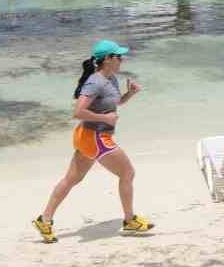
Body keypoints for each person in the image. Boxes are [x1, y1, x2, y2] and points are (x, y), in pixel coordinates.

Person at [32, 40, 153, 243]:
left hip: (88, 137)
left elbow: (114, 103)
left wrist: (130, 94)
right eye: (118, 56)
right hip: (96, 137)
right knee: (127, 173)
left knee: (71, 179)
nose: (122, 59)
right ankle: (130, 220)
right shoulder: (95, 82)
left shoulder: (111, 79)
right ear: (107, 59)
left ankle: (44, 220)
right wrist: (105, 119)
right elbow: (78, 112)